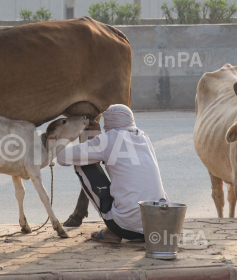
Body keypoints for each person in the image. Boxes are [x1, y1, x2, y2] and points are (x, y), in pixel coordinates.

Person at [57, 104, 169, 244]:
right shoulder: (143, 137)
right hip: (157, 227)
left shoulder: (107, 139)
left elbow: (62, 158)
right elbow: (114, 154)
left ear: (108, 122)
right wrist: (98, 136)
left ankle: (112, 232)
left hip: (126, 228)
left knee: (82, 163)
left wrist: (60, 137)